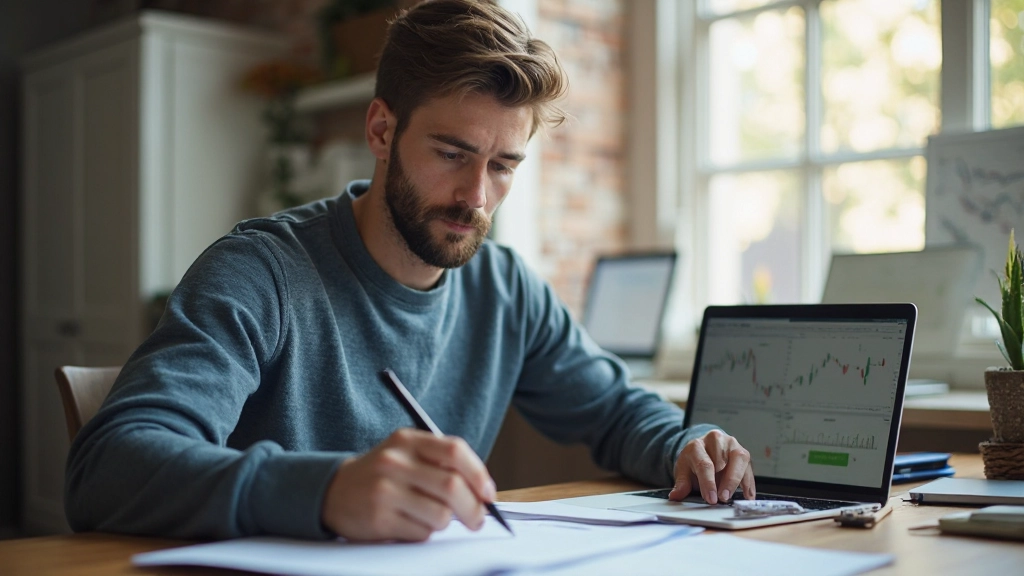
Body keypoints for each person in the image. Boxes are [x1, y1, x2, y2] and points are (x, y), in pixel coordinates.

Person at [65, 0, 754, 542]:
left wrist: (686, 443)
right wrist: (328, 491)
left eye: (504, 165)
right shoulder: (260, 272)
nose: (477, 197)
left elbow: (613, 410)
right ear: (381, 131)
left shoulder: (504, 288)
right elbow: (107, 467)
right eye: (451, 153)